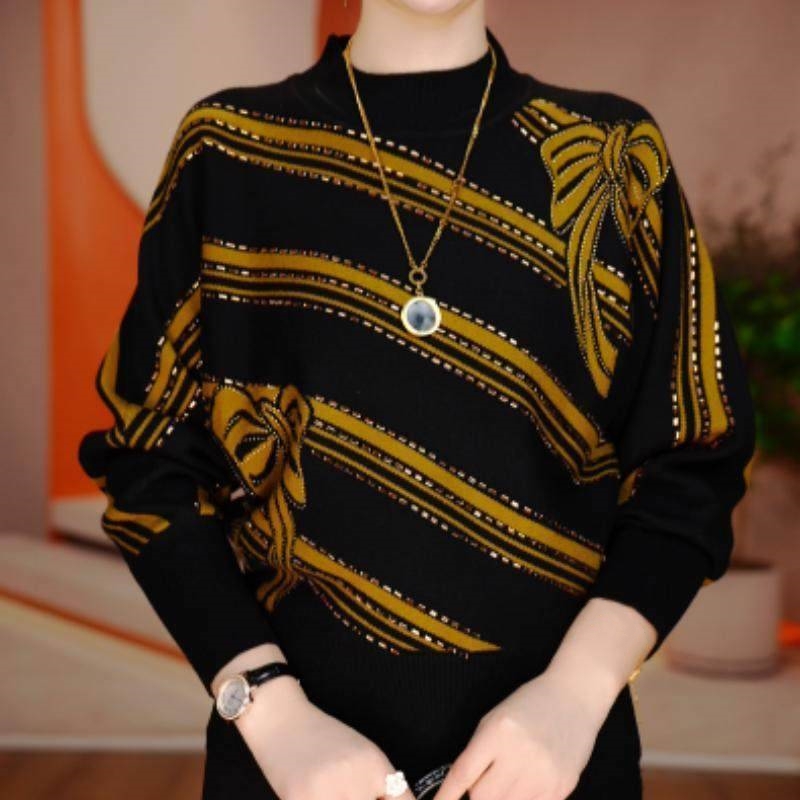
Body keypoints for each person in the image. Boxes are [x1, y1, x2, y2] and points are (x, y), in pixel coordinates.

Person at [77, 1, 757, 798]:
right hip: (294, 769)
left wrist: (577, 694)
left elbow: (693, 459)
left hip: (552, 764)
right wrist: (270, 712)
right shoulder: (229, 150)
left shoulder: (612, 154)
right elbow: (150, 460)